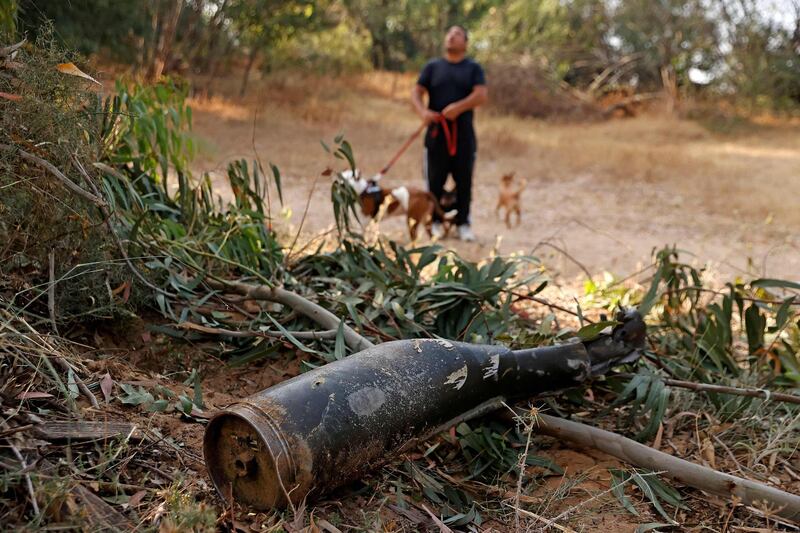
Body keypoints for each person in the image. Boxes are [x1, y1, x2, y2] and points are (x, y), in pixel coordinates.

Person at [411, 25, 488, 242]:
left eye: (457, 34)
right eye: (449, 33)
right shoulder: (433, 67)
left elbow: (481, 95)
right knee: (434, 181)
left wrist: (459, 107)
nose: (451, 37)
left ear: (465, 42)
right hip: (436, 135)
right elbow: (416, 91)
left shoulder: (473, 68)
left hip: (463, 136)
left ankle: (463, 223)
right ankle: (435, 221)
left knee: (464, 181)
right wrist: (423, 111)